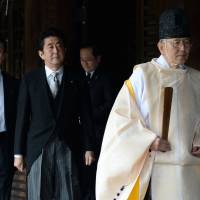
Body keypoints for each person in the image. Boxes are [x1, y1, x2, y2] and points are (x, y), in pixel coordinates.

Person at [96, 8, 200, 200]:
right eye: (177, 43)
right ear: (161, 46)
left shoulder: (196, 79)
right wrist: (149, 140)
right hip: (156, 165)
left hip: (191, 169)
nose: (183, 49)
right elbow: (121, 119)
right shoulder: (143, 75)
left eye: (186, 43)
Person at [14, 28, 95, 200]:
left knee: (69, 193)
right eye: (50, 46)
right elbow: (21, 118)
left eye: (59, 46)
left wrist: (89, 147)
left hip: (69, 144)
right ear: (41, 53)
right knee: (38, 194)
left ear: (65, 51)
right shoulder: (30, 80)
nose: (55, 50)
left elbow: (87, 116)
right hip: (38, 147)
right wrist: (18, 153)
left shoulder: (78, 78)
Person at [79, 45, 116, 199]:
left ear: (98, 59)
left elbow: (110, 104)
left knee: (96, 169)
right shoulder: (78, 77)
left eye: (88, 60)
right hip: (80, 132)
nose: (85, 64)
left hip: (99, 131)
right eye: (82, 60)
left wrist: (87, 116)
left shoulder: (106, 78)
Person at [0, 38, 19, 200]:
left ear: (3, 55)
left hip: (6, 140)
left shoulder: (13, 84)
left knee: (5, 183)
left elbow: (20, 118)